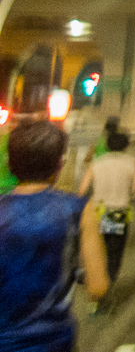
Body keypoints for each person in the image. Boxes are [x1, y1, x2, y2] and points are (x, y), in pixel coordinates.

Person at [0, 119, 108, 351]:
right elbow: (98, 286)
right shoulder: (78, 209)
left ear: (10, 165)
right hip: (55, 342)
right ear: (58, 166)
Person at [79, 131, 135, 311]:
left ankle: (95, 289)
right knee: (114, 253)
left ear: (107, 145)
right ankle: (106, 288)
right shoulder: (130, 162)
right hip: (117, 212)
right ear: (126, 146)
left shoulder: (97, 162)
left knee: (98, 252)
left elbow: (82, 188)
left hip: (97, 211)